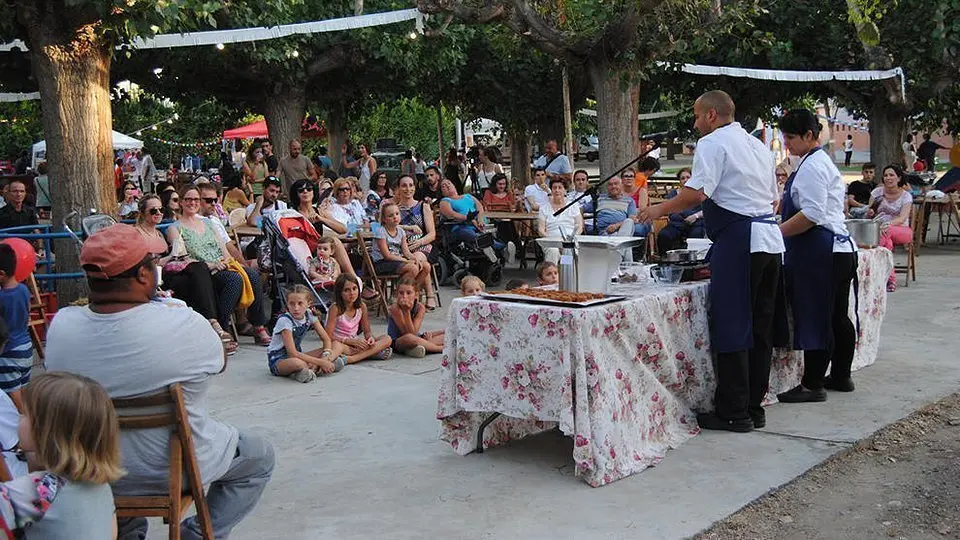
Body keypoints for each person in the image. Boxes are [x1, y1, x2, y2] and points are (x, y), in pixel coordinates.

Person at [44, 223, 275, 539]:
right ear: (142, 275)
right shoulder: (180, 320)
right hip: (174, 469)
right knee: (258, 456)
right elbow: (219, 360)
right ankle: (195, 534)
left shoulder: (61, 328)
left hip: (92, 470)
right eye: (153, 263)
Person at [638, 90, 785, 433]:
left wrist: (657, 209)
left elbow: (696, 193)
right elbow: (771, 199)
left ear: (712, 116)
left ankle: (733, 410)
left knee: (734, 322)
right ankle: (753, 403)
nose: (694, 122)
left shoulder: (712, 143)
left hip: (740, 239)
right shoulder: (757, 146)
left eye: (696, 115)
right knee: (760, 326)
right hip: (768, 239)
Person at [774, 109, 858, 403]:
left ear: (810, 136)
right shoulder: (816, 162)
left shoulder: (812, 166)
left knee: (817, 316)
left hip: (822, 249)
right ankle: (841, 375)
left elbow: (811, 214)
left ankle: (812, 384)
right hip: (837, 249)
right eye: (784, 136)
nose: (787, 143)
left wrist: (777, 233)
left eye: (791, 137)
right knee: (836, 315)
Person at [0, 372, 123, 538]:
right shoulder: (100, 484)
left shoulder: (40, 490)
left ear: (45, 433)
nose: (19, 419)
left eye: (26, 415)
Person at [135, 195, 238, 355]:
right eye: (153, 210)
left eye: (161, 209)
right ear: (142, 213)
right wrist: (170, 257)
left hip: (173, 274)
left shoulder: (159, 234)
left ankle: (213, 325)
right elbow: (142, 266)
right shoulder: (137, 235)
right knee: (199, 270)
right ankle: (214, 326)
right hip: (155, 280)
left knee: (201, 274)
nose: (158, 213)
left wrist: (177, 256)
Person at [169, 186, 271, 345]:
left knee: (252, 274)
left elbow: (224, 250)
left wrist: (228, 262)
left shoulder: (209, 223)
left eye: (196, 199)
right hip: (202, 271)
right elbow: (183, 257)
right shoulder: (175, 228)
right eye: (188, 199)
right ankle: (222, 327)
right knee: (234, 280)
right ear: (181, 202)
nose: (193, 202)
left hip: (222, 265)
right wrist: (212, 264)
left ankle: (258, 326)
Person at [267, 285, 346, 383]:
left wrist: (325, 356)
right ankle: (311, 369)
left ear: (309, 303)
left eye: (300, 303)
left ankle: (308, 371)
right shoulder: (284, 321)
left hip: (298, 355)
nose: (296, 308)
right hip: (280, 360)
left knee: (335, 346)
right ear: (287, 304)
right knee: (298, 363)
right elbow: (292, 353)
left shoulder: (309, 314)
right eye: (292, 304)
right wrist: (321, 362)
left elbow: (326, 339)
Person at [373, 203, 436, 310]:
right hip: (382, 262)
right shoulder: (381, 231)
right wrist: (406, 261)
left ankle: (411, 292)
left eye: (397, 214)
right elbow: (387, 255)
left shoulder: (401, 231)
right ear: (384, 219)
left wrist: (414, 258)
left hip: (397, 261)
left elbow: (406, 252)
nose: (395, 217)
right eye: (390, 215)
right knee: (413, 268)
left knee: (425, 266)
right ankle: (398, 294)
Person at [325, 274, 393, 362]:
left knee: (387, 339)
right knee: (338, 347)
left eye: (354, 288)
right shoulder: (335, 308)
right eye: (346, 290)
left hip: (355, 343)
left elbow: (367, 332)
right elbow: (327, 336)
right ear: (340, 293)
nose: (352, 293)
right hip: (340, 343)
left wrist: (370, 339)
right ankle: (363, 355)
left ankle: (355, 357)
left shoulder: (362, 306)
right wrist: (348, 341)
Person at [867, 165, 913, 291]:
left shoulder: (906, 196)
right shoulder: (877, 193)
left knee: (885, 232)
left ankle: (874, 270)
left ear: (899, 178)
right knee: (887, 242)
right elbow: (870, 213)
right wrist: (870, 212)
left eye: (892, 175)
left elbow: (902, 218)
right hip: (880, 230)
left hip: (901, 229)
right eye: (886, 175)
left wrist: (888, 224)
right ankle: (890, 279)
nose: (888, 178)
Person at [582, 177, 650, 259]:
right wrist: (580, 221)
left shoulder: (629, 200)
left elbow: (633, 219)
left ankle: (617, 253)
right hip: (605, 231)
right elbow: (581, 209)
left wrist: (616, 226)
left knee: (628, 222)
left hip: (622, 230)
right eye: (610, 185)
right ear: (607, 187)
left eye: (616, 184)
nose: (613, 186)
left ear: (621, 185)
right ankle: (626, 262)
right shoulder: (599, 199)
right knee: (626, 243)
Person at [438, 179, 503, 262]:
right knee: (469, 233)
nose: (447, 186)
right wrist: (468, 219)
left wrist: (479, 219)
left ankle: (497, 248)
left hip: (480, 224)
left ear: (454, 185)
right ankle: (498, 247)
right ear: (442, 192)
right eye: (443, 186)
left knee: (493, 230)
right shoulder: (445, 201)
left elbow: (479, 207)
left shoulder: (468, 196)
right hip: (461, 226)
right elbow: (451, 214)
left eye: (449, 183)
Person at [0, 243, 32, 411]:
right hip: (25, 345)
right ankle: (29, 412)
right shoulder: (24, 290)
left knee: (12, 392)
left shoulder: (2, 297)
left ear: (1, 274)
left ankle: (26, 418)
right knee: (23, 386)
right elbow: (27, 310)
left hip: (8, 351)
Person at [386, 280, 445, 358]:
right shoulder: (395, 308)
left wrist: (428, 337)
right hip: (399, 341)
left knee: (446, 333)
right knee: (410, 339)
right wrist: (406, 311)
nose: (404, 296)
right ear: (397, 294)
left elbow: (415, 332)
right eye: (401, 293)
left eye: (408, 293)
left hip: (416, 337)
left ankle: (423, 347)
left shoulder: (420, 308)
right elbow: (408, 334)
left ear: (416, 294)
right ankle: (440, 348)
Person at [657, 168, 705, 254]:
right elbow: (668, 209)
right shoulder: (673, 194)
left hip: (695, 223)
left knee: (696, 236)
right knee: (663, 235)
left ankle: (694, 261)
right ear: (679, 181)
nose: (685, 180)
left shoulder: (700, 193)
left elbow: (705, 210)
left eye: (688, 177)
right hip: (677, 224)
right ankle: (665, 260)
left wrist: (695, 216)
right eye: (682, 178)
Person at [387, 175, 436, 258]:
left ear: (414, 187)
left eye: (411, 185)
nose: (408, 189)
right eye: (404, 186)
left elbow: (432, 234)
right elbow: (386, 228)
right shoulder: (393, 208)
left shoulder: (423, 206)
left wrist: (419, 242)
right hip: (398, 247)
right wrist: (408, 227)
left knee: (416, 261)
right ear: (398, 188)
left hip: (421, 245)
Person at [537, 177, 584, 264]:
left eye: (560, 187)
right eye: (554, 188)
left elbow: (580, 227)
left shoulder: (573, 206)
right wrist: (554, 242)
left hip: (569, 241)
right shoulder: (544, 208)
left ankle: (565, 274)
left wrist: (569, 242)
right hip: (551, 241)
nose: (557, 190)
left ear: (565, 190)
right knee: (553, 252)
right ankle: (552, 275)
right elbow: (541, 230)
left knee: (567, 254)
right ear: (551, 190)